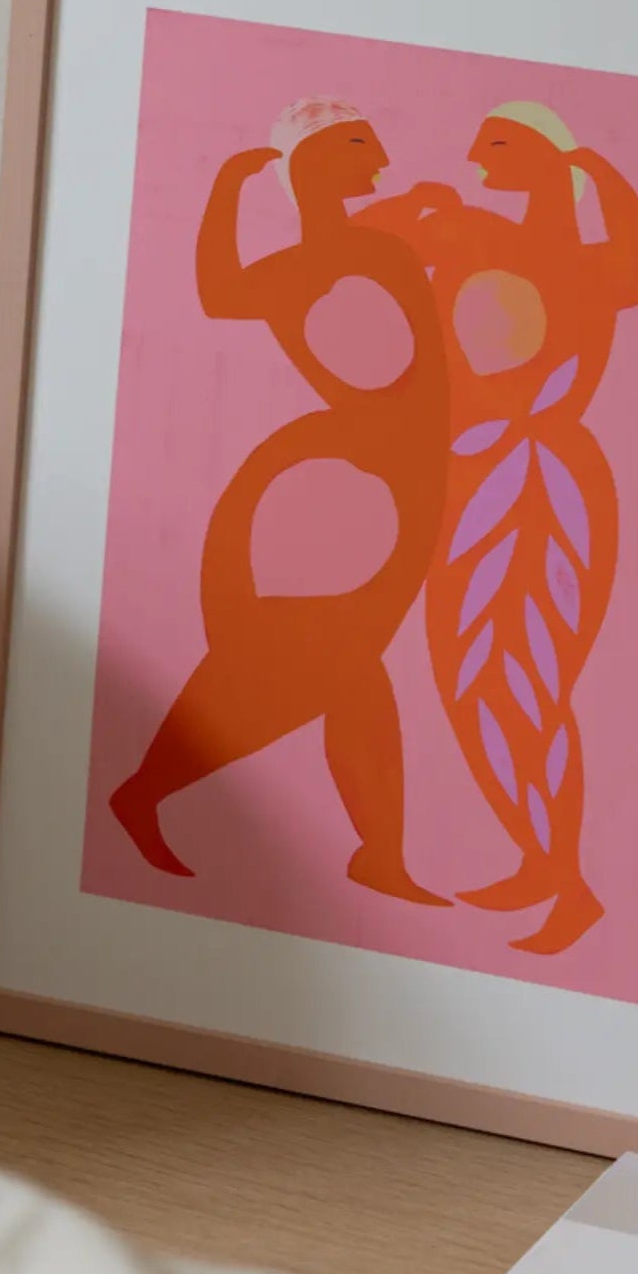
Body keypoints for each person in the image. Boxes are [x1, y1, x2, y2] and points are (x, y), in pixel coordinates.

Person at [111, 99, 453, 906]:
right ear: (316, 164)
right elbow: (217, 291)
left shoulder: (377, 251)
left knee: (345, 671)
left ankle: (378, 854)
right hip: (347, 489)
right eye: (361, 146)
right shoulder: (316, 267)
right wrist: (228, 189)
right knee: (318, 665)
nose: (380, 163)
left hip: (386, 482)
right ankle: (149, 792)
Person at [364, 103, 638, 953]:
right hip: (468, 478)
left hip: (538, 485)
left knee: (526, 680)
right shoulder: (475, 235)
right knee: (470, 680)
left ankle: (572, 886)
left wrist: (595, 167)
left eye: (497, 148)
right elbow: (372, 245)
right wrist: (417, 205)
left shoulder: (582, 262)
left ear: (544, 156)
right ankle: (542, 858)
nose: (476, 162)